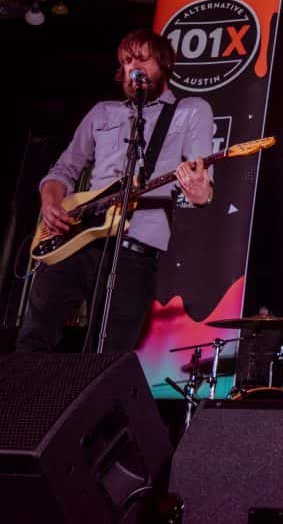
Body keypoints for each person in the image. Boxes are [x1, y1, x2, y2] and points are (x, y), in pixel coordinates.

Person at [17, 28, 214, 353]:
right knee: (33, 340)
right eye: (126, 61)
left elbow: (201, 186)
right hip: (75, 242)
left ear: (164, 64)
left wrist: (199, 192)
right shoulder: (103, 112)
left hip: (135, 251)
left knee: (107, 354)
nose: (133, 67)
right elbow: (63, 170)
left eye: (142, 59)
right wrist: (51, 203)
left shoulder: (191, 111)